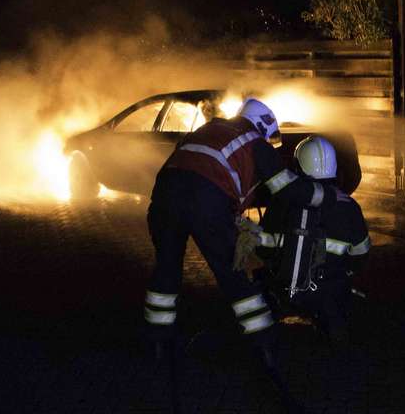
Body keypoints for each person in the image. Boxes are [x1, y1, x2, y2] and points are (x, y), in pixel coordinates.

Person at [143, 98, 329, 366]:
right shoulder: (254, 142)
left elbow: (184, 167)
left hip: (164, 197)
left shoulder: (203, 131)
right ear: (263, 125)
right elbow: (287, 189)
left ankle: (158, 343)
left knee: (166, 270)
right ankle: (264, 344)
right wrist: (326, 195)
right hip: (206, 201)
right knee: (234, 272)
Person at [253, 135, 370, 344]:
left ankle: (266, 340)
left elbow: (263, 250)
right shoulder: (349, 206)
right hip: (329, 290)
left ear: (298, 166)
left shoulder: (283, 202)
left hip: (282, 288)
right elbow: (361, 254)